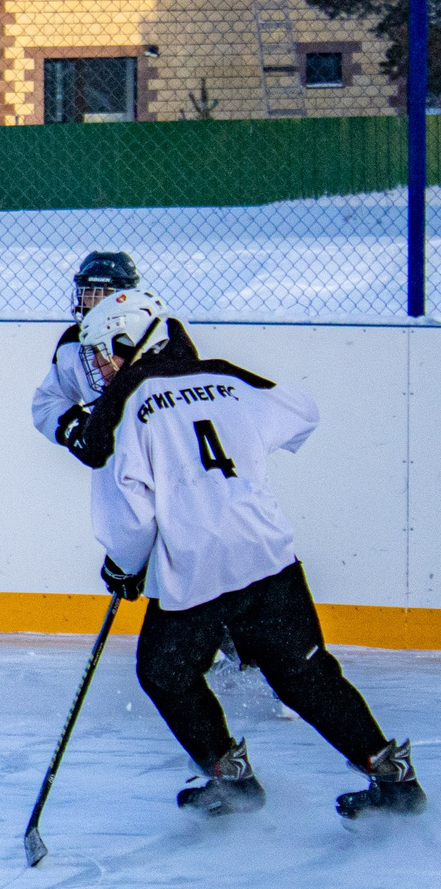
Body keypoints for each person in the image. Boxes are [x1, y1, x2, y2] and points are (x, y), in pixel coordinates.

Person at [74, 291, 421, 820]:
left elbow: (129, 515)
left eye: (105, 351)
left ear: (133, 337)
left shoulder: (125, 406)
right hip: (267, 556)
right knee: (305, 676)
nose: (101, 365)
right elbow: (303, 413)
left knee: (164, 672)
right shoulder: (227, 379)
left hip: (198, 571)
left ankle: (229, 778)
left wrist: (122, 567)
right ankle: (391, 776)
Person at [33, 250, 139, 464]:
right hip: (113, 465)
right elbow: (47, 401)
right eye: (88, 293)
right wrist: (78, 428)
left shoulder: (154, 333)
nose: (94, 303)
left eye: (105, 294)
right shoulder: (73, 342)